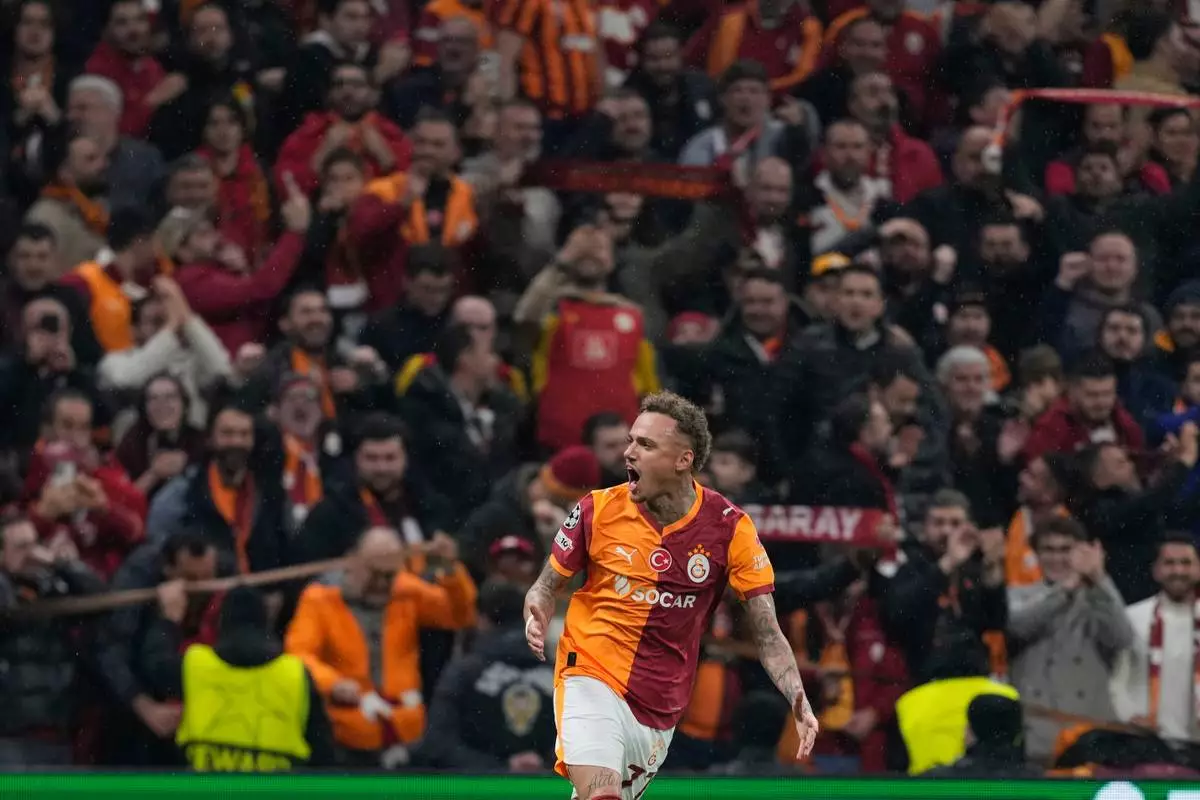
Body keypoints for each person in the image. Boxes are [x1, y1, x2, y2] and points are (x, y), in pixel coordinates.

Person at [522, 391, 818, 800]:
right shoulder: (597, 509)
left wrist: (798, 698)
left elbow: (768, 634)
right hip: (589, 673)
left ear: (683, 460)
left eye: (645, 444)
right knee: (602, 793)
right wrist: (536, 608)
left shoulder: (730, 528)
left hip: (661, 704)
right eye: (630, 441)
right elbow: (545, 585)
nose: (629, 452)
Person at [286, 525, 476, 767]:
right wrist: (332, 684)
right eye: (375, 574)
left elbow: (460, 616)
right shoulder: (320, 599)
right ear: (353, 561)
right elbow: (298, 654)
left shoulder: (405, 589)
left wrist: (451, 571)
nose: (382, 584)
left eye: (389, 575)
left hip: (406, 732)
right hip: (348, 735)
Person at [1007, 517, 1133, 764]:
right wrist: (1065, 590)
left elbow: (1121, 638)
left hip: (1090, 729)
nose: (1057, 558)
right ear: (1036, 554)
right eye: (1048, 550)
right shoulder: (1018, 595)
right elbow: (1018, 628)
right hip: (1036, 730)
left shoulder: (1098, 597)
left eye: (1066, 550)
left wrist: (1099, 579)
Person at [176, 586, 335, 771]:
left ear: (221, 622)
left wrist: (168, 621)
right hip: (278, 785)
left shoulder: (195, 664)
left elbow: (155, 665)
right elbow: (323, 751)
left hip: (206, 784)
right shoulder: (295, 673)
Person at [0, 511, 103, 766]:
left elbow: (99, 597)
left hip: (56, 728)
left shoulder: (49, 584)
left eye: (34, 544)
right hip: (10, 734)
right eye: (21, 547)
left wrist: (62, 564)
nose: (32, 554)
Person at [419, 580, 556, 770]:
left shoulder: (464, 673)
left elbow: (437, 744)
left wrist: (498, 767)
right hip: (550, 785)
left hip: (479, 784)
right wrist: (544, 764)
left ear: (482, 620)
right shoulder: (560, 675)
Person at [1110, 532, 1200, 742]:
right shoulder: (1133, 618)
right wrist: (1129, 716)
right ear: (1156, 570)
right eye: (1169, 563)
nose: (1178, 571)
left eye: (1186, 563)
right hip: (1148, 742)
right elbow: (1116, 681)